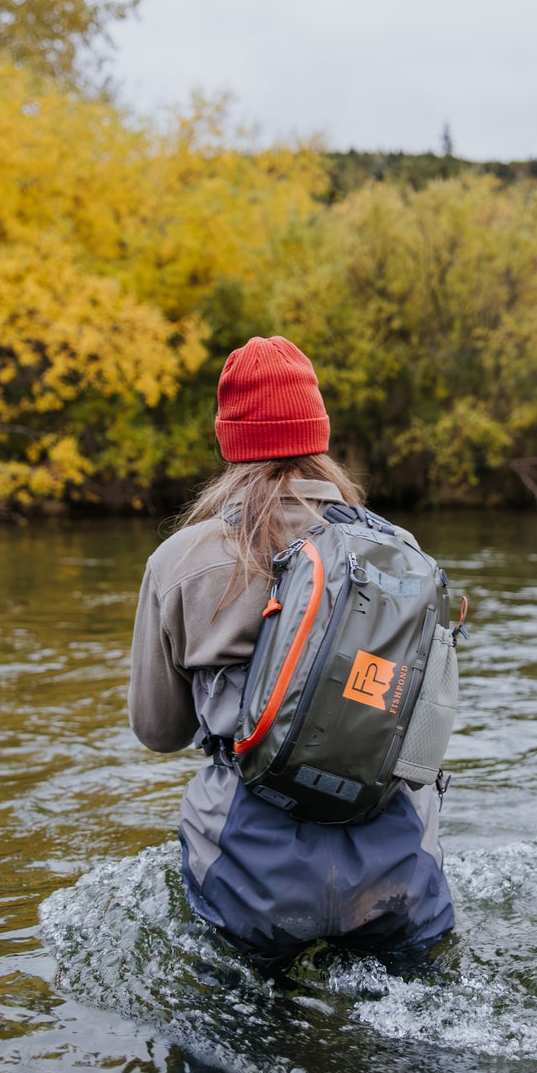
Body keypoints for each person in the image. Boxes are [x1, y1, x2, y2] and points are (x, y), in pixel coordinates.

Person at [128, 335, 455, 963]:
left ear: (231, 442)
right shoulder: (400, 552)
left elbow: (158, 731)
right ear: (318, 434)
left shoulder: (181, 562)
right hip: (393, 866)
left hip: (250, 872)